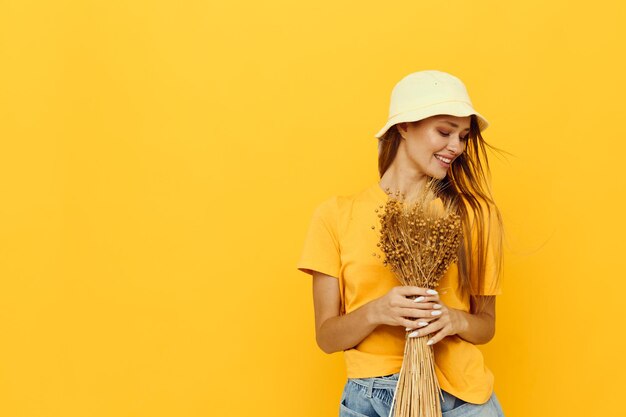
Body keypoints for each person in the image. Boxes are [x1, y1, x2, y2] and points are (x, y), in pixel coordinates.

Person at [296, 70, 506, 417]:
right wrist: (378, 311)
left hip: (463, 400)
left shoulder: (474, 215)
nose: (456, 147)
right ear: (404, 127)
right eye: (444, 131)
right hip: (370, 401)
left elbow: (486, 325)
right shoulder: (334, 216)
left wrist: (454, 320)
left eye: (464, 136)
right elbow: (327, 337)